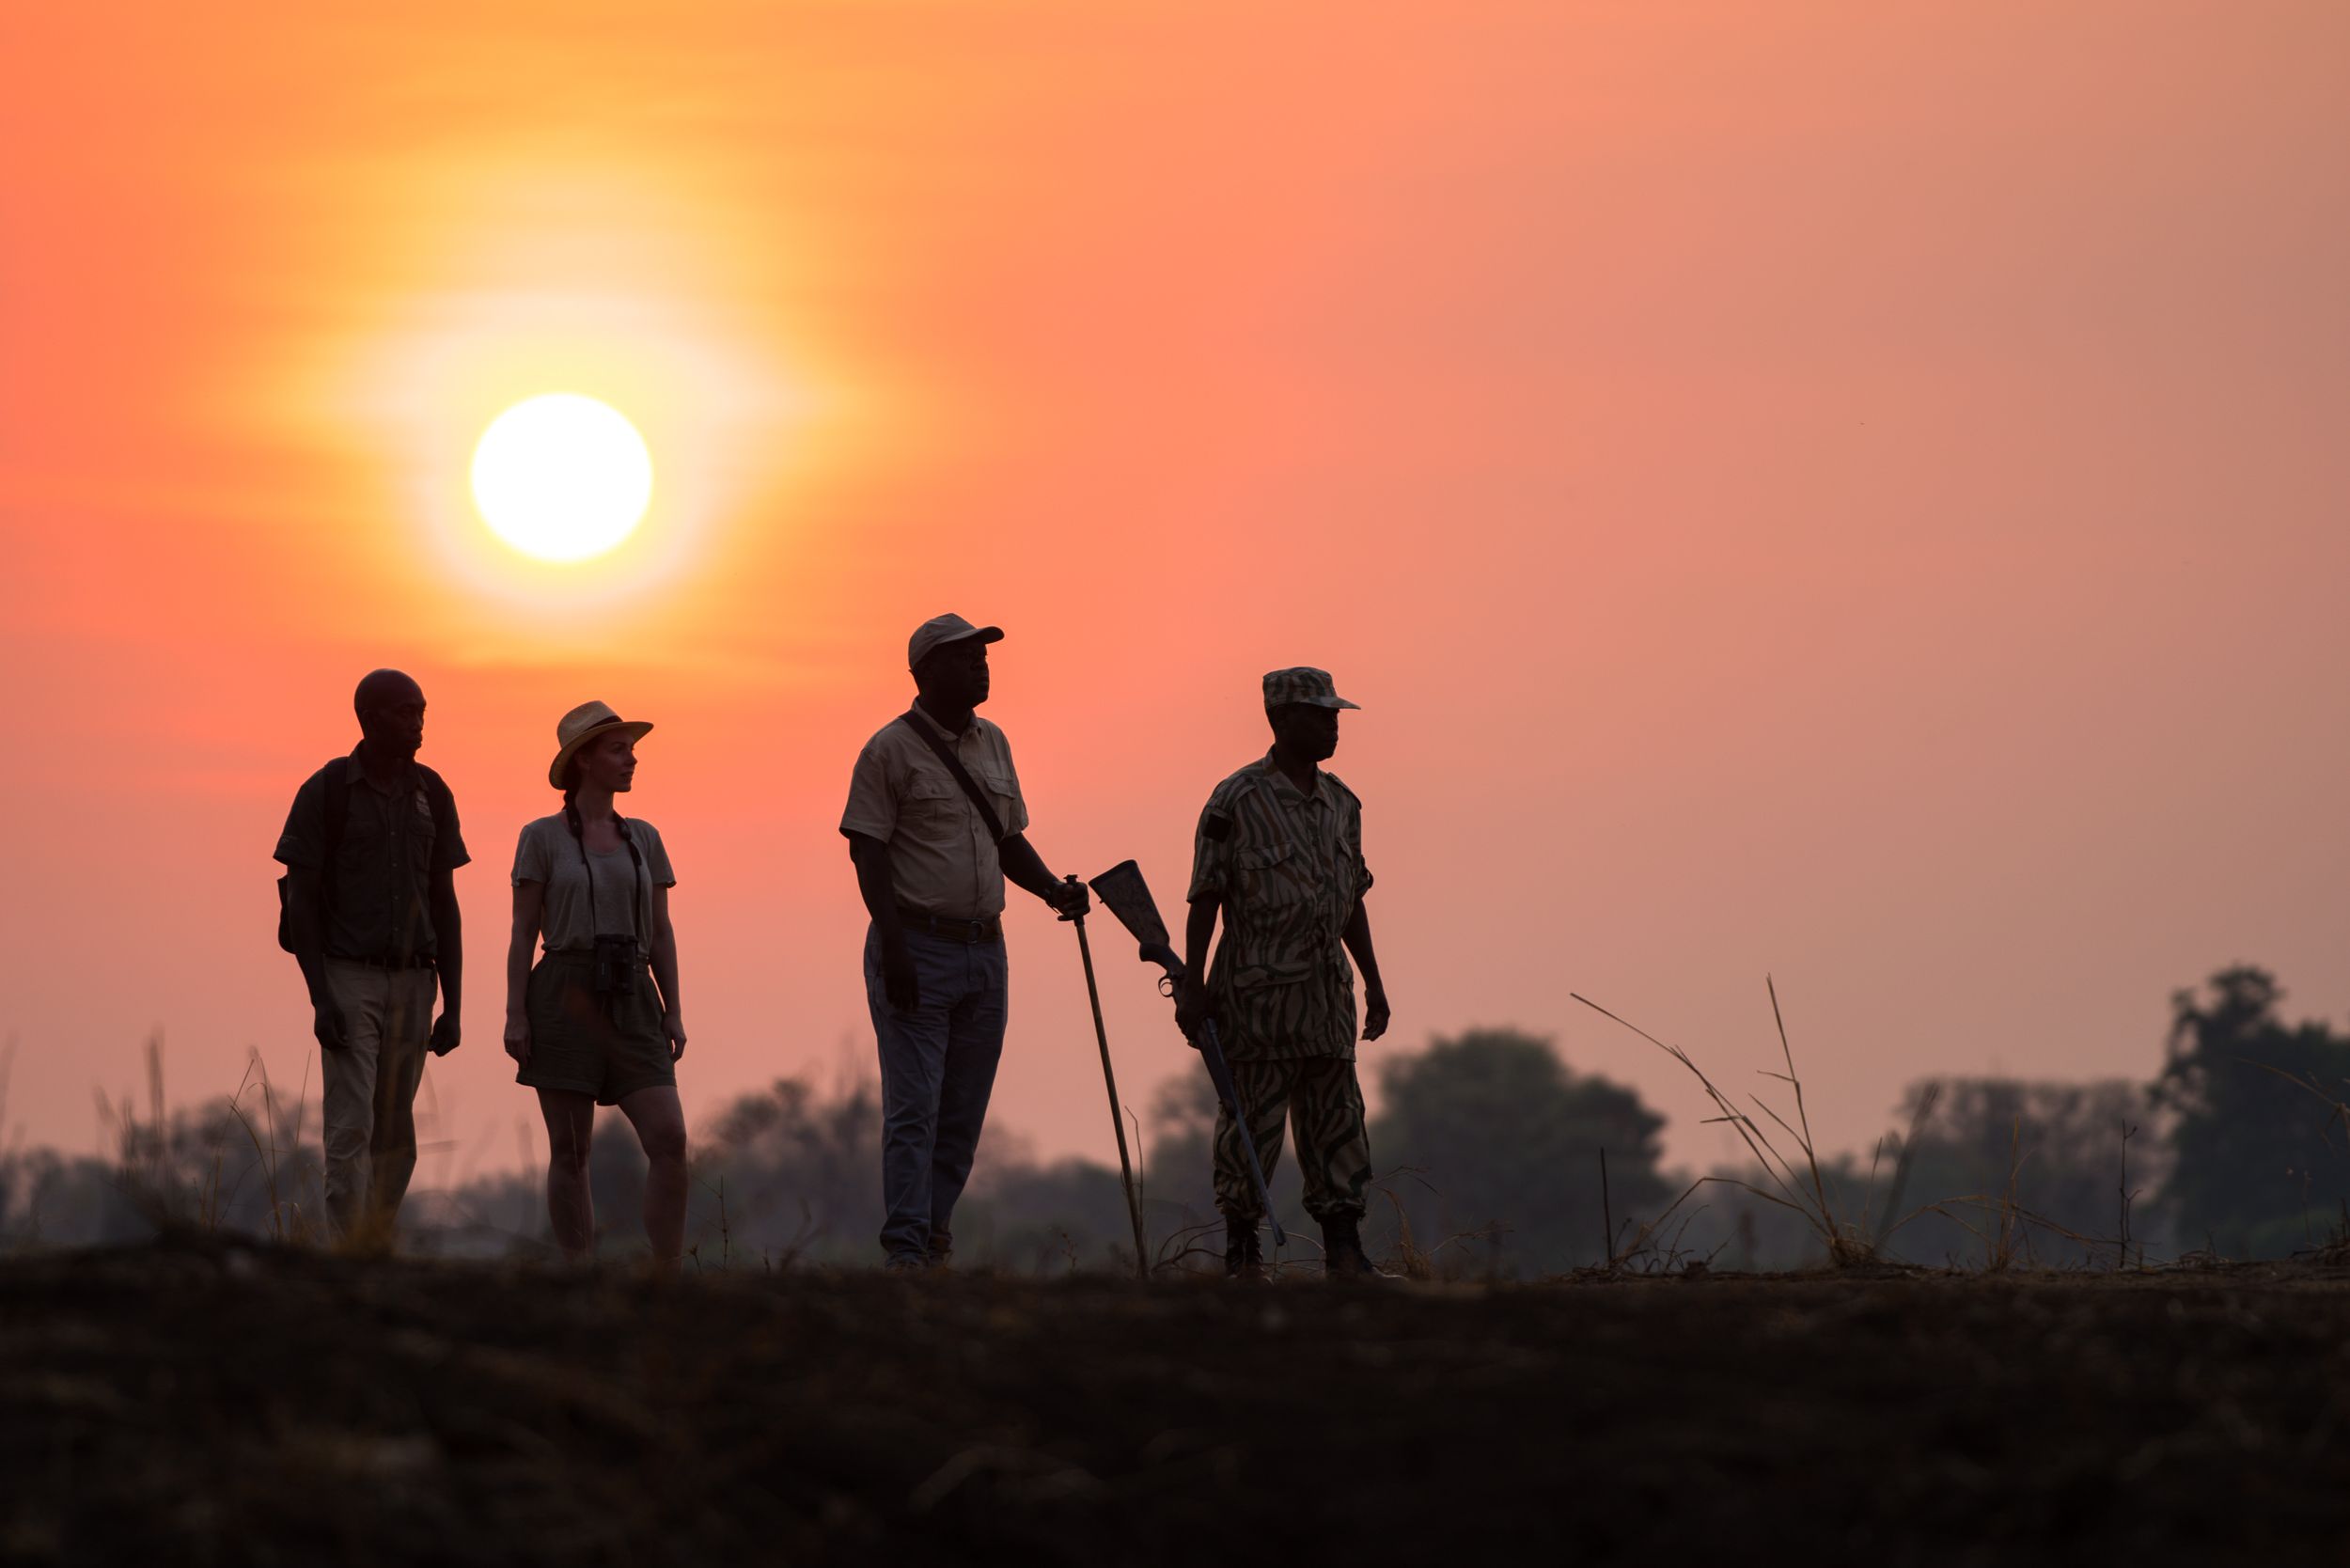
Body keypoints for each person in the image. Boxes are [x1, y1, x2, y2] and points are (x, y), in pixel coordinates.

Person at [840, 613, 1091, 1269]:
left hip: (986, 949)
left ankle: (934, 1236)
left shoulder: (995, 743)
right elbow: (868, 853)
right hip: (916, 946)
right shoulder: (887, 751)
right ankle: (905, 1249)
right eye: (965, 657)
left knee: (961, 1112)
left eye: (983, 656)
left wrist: (1051, 891)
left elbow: (1008, 840)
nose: (981, 666)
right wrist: (893, 949)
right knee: (914, 1108)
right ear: (925, 673)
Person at [1175, 667, 1391, 1278]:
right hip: (1256, 999)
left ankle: (1344, 1250)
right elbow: (1206, 898)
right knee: (1249, 1126)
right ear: (1281, 719)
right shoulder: (1236, 799)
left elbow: (1352, 901)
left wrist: (1373, 982)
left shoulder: (1342, 804)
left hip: (1326, 1000)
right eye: (1320, 715)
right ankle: (1242, 1253)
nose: (1332, 726)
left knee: (1338, 1123)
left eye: (1335, 716)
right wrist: (1193, 985)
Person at [274, 668, 468, 1247]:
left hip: (414, 982)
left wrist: (453, 1006)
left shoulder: (433, 792)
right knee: (351, 1124)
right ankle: (348, 1253)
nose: (418, 723)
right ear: (368, 717)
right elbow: (302, 903)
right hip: (347, 976)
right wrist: (320, 996)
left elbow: (445, 903)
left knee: (395, 1130)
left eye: (421, 711)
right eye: (405, 711)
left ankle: (374, 1246)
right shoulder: (326, 792)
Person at [503, 700, 689, 1267]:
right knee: (571, 1151)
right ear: (584, 760)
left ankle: (667, 1273)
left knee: (670, 1140)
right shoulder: (541, 837)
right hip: (563, 988)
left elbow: (660, 931)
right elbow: (523, 932)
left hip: (633, 990)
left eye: (631, 749)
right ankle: (578, 1272)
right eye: (619, 749)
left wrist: (673, 1010)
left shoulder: (645, 838)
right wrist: (516, 1014)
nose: (632, 759)